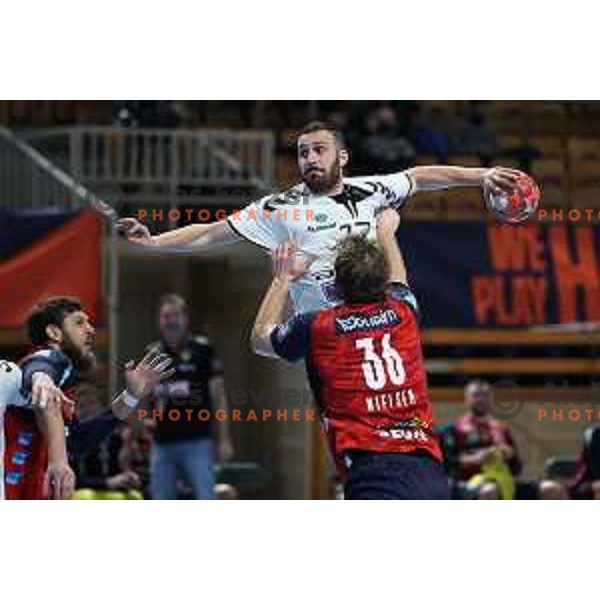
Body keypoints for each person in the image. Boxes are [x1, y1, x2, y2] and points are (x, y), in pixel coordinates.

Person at [116, 120, 522, 314]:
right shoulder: (281, 206)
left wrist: (480, 175)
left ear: (341, 157)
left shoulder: (372, 189)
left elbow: (419, 177)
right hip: (321, 329)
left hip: (373, 317)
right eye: (303, 152)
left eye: (319, 150)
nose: (310, 158)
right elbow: (212, 232)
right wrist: (153, 240)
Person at [250, 209, 449, 499]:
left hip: (373, 471)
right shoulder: (405, 311)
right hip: (430, 470)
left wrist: (282, 278)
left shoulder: (318, 326)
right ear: (382, 284)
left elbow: (260, 339)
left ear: (336, 287)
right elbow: (399, 278)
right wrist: (385, 233)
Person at [3, 297, 174, 500]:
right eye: (79, 322)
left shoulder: (63, 381)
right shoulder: (53, 358)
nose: (90, 329)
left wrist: (131, 396)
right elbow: (40, 365)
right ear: (54, 332)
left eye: (89, 322)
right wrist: (42, 378)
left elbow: (78, 441)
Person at [145, 294, 233, 500]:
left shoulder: (203, 350)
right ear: (159, 320)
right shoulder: (152, 353)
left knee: (205, 497)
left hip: (197, 441)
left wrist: (224, 439)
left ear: (186, 318)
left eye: (175, 316)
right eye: (166, 316)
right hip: (162, 443)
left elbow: (219, 396)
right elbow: (145, 395)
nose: (171, 321)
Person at [439, 379, 522, 500]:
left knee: (550, 488)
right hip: (464, 484)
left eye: (485, 395)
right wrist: (474, 459)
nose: (481, 399)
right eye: (476, 395)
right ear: (466, 399)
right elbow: (445, 464)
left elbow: (517, 469)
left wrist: (509, 455)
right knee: (489, 491)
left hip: (502, 481)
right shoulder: (452, 430)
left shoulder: (501, 429)